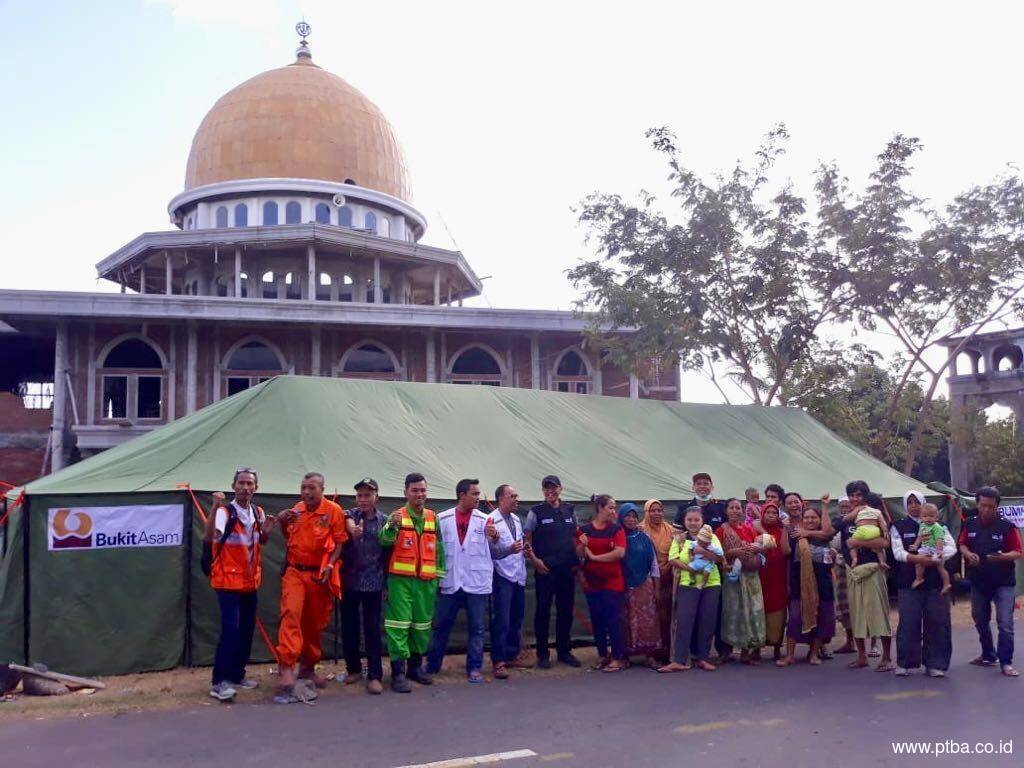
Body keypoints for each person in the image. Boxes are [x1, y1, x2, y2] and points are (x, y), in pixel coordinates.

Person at [274, 472, 348, 703]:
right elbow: (289, 538)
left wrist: (330, 565)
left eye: (311, 488)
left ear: (322, 489)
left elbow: (339, 542)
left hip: (318, 574)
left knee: (315, 622)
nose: (306, 492)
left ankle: (308, 666)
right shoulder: (296, 509)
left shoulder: (333, 511)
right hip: (295, 571)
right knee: (291, 614)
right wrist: (282, 523)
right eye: (303, 487)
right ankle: (287, 668)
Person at [425, 479, 503, 684]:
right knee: (441, 626)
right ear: (462, 495)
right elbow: (434, 551)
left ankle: (474, 668)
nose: (478, 498)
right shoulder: (442, 519)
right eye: (475, 494)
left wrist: (494, 537)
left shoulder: (486, 520)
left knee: (477, 628)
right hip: (450, 582)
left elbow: (496, 547)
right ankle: (432, 666)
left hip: (476, 583)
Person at [207, 468, 272, 702]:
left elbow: (261, 541)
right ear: (233, 486)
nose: (245, 487)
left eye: (250, 483)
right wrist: (215, 508)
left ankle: (237, 674)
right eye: (241, 483)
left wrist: (266, 533)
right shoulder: (226, 511)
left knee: (245, 631)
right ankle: (219, 681)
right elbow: (213, 534)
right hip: (227, 581)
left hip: (249, 581)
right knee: (231, 631)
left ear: (256, 488)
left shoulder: (258, 511)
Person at [380, 473, 445, 693]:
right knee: (399, 626)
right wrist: (391, 526)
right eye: (415, 490)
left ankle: (415, 668)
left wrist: (439, 579)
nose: (420, 494)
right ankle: (398, 673)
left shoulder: (432, 517)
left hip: (426, 583)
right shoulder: (397, 516)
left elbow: (439, 549)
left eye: (423, 490)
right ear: (405, 493)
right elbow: (384, 541)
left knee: (421, 626)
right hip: (400, 582)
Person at [958, 486, 1022, 678]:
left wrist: (1003, 557)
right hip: (979, 581)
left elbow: (1018, 551)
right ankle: (988, 654)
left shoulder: (1007, 526)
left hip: (1003, 582)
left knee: (1005, 623)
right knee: (979, 619)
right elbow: (961, 544)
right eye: (983, 505)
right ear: (977, 504)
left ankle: (1006, 663)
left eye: (991, 507)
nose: (986, 510)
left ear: (997, 507)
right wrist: (968, 554)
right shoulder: (969, 524)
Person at [890, 492, 954, 678]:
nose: (914, 506)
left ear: (924, 504)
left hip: (935, 584)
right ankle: (905, 663)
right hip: (909, 583)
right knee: (908, 623)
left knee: (937, 623)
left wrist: (934, 559)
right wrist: (915, 558)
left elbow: (951, 547)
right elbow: (897, 552)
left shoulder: (940, 526)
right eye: (909, 503)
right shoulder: (898, 526)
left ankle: (935, 664)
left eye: (917, 502)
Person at [658, 506, 724, 673]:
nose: (693, 523)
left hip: (712, 583)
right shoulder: (679, 539)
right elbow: (673, 559)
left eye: (697, 520)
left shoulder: (712, 537)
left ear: (702, 522)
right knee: (684, 621)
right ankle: (679, 660)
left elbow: (718, 557)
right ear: (684, 521)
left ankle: (703, 658)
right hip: (688, 584)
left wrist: (701, 551)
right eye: (690, 520)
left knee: (707, 622)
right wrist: (690, 569)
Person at [525, 475, 582, 669]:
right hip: (545, 570)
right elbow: (527, 539)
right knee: (543, 612)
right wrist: (535, 561)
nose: (550, 492)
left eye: (553, 488)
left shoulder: (570, 510)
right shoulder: (536, 512)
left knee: (566, 612)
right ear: (543, 491)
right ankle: (542, 654)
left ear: (560, 489)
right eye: (546, 489)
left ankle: (564, 651)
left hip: (567, 570)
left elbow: (577, 535)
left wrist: (578, 560)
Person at [340, 477, 387, 694]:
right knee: (349, 627)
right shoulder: (349, 515)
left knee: (372, 630)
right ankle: (354, 668)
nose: (363, 499)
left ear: (376, 496)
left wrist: (386, 583)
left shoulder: (385, 521)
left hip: (374, 582)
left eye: (367, 495)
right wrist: (352, 530)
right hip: (349, 581)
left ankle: (375, 674)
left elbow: (388, 553)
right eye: (359, 495)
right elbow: (346, 520)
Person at [842, 491, 893, 672]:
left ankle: (886, 657)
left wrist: (859, 543)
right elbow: (843, 542)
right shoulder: (846, 520)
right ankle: (861, 656)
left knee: (879, 613)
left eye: (858, 496)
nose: (855, 500)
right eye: (851, 496)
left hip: (874, 569)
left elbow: (884, 543)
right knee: (857, 615)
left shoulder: (874, 514)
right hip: (853, 571)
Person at [779, 505, 835, 667]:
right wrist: (785, 529)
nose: (810, 520)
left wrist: (832, 555)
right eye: (807, 518)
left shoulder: (825, 537)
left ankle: (814, 653)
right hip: (800, 585)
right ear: (802, 520)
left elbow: (828, 539)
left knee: (821, 619)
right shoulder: (796, 535)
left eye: (813, 518)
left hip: (823, 585)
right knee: (795, 619)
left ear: (819, 520)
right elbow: (785, 550)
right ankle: (789, 655)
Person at [576, 494, 628, 672]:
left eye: (614, 508)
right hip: (592, 582)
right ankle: (602, 655)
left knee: (613, 619)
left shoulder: (617, 530)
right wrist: (583, 545)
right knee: (597, 620)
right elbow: (579, 554)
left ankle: (618, 657)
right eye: (611, 508)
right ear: (600, 508)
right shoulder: (584, 530)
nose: (614, 511)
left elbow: (619, 553)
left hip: (613, 582)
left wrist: (596, 557)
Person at [716, 498, 766, 664]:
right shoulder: (721, 531)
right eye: (732, 508)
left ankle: (747, 650)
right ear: (726, 511)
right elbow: (717, 554)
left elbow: (757, 549)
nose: (735, 511)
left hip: (750, 577)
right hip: (732, 577)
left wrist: (752, 549)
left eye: (738, 508)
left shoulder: (749, 529)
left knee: (750, 612)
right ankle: (727, 650)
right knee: (732, 613)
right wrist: (735, 552)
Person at [488, 484, 528, 680]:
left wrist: (524, 550)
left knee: (516, 617)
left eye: (516, 495)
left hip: (518, 574)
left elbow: (518, 544)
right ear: (501, 499)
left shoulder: (516, 519)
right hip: (501, 575)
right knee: (502, 619)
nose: (516, 499)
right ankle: (498, 661)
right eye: (512, 496)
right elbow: (490, 552)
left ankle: (511, 654)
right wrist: (509, 550)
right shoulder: (491, 521)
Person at [619, 503, 661, 665]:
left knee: (648, 620)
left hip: (645, 586)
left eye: (634, 516)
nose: (631, 519)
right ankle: (626, 655)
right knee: (626, 620)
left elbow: (654, 564)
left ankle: (650, 654)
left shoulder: (644, 538)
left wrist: (656, 588)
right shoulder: (617, 537)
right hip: (624, 586)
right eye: (627, 516)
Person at [640, 499, 674, 664]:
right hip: (648, 579)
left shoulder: (671, 530)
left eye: (659, 510)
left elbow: (676, 551)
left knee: (667, 615)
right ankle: (651, 652)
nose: (657, 513)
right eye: (652, 510)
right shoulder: (640, 531)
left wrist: (668, 566)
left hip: (668, 577)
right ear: (646, 512)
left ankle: (667, 651)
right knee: (651, 616)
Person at [755, 502, 790, 661]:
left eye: (774, 513)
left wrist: (783, 531)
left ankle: (776, 647)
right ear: (762, 514)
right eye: (767, 512)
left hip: (778, 576)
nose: (771, 515)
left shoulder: (781, 531)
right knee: (759, 610)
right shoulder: (754, 529)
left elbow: (784, 551)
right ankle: (756, 649)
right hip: (760, 575)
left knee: (777, 610)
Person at [907, 504, 951, 594]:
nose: (928, 518)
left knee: (941, 567)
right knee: (919, 562)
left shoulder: (937, 527)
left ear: (937, 517)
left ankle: (947, 584)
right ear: (921, 517)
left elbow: (939, 540)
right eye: (925, 516)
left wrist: (939, 551)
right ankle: (919, 578)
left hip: (934, 549)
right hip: (925, 548)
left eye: (931, 516)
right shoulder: (922, 525)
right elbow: (920, 537)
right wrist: (915, 545)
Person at [831, 496, 856, 654]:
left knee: (861, 603)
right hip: (839, 565)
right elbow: (830, 541)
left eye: (848, 505)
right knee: (844, 604)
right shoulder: (836, 522)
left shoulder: (858, 520)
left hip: (856, 564)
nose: (845, 508)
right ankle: (850, 641)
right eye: (842, 505)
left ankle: (873, 644)